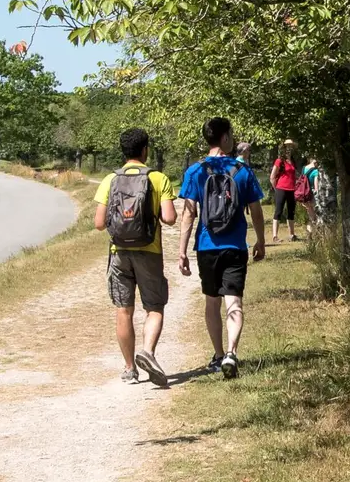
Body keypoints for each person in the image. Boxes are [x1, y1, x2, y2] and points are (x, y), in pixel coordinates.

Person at [177, 117, 266, 380]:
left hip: (207, 246)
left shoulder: (196, 171)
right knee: (234, 300)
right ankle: (231, 352)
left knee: (212, 301)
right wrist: (260, 240)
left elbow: (188, 213)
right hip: (235, 245)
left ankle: (217, 356)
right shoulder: (242, 170)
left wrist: (182, 251)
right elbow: (256, 210)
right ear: (225, 137)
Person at [93, 127, 178, 387]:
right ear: (145, 150)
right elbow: (170, 218)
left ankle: (130, 369)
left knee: (124, 309)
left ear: (123, 151)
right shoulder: (158, 178)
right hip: (149, 251)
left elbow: (99, 223)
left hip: (119, 252)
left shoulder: (110, 179)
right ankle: (147, 352)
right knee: (154, 307)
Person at [268, 140, 301, 244]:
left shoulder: (293, 161)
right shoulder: (279, 161)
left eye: (291, 146)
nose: (289, 148)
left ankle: (292, 234)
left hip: (292, 189)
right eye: (287, 146)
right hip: (281, 189)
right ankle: (275, 236)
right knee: (278, 211)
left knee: (291, 212)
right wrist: (276, 188)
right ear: (284, 148)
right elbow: (272, 177)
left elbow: (294, 176)